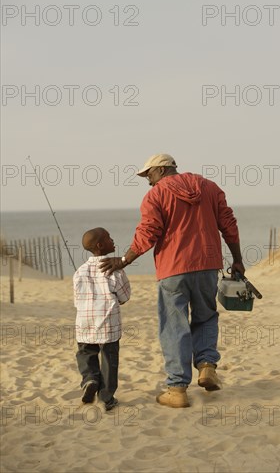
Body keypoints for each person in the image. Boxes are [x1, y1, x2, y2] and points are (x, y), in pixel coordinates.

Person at [100, 154, 245, 408]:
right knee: (206, 317)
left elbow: (148, 233)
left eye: (149, 175)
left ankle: (177, 388)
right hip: (208, 265)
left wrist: (124, 259)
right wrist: (238, 259)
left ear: (162, 169)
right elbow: (228, 225)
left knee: (174, 326)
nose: (148, 182)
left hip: (173, 268)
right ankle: (207, 366)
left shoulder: (156, 196)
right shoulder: (209, 187)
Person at [73, 227, 131, 411]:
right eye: (108, 238)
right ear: (100, 245)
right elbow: (124, 296)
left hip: (85, 322)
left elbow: (77, 300)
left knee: (86, 353)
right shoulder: (115, 270)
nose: (113, 240)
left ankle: (90, 379)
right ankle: (106, 397)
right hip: (108, 323)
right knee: (109, 358)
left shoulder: (79, 272)